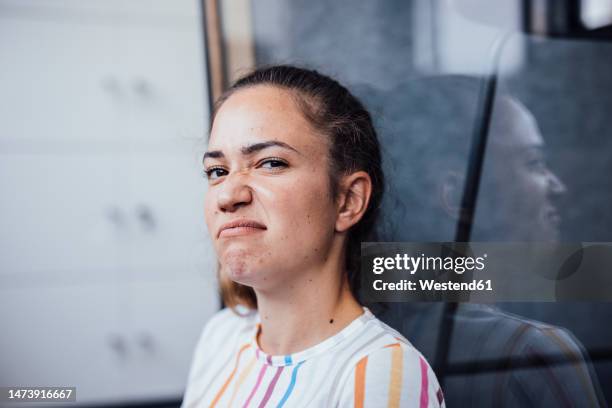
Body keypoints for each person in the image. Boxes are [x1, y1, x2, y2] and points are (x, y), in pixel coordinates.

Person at [180, 65, 445, 407]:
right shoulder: (222, 336)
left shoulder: (379, 373)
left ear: (347, 200)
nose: (227, 195)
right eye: (217, 171)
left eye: (271, 163)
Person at [357, 75, 605, 407]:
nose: (557, 186)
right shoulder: (533, 353)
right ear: (457, 195)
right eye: (534, 162)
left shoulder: (357, 335)